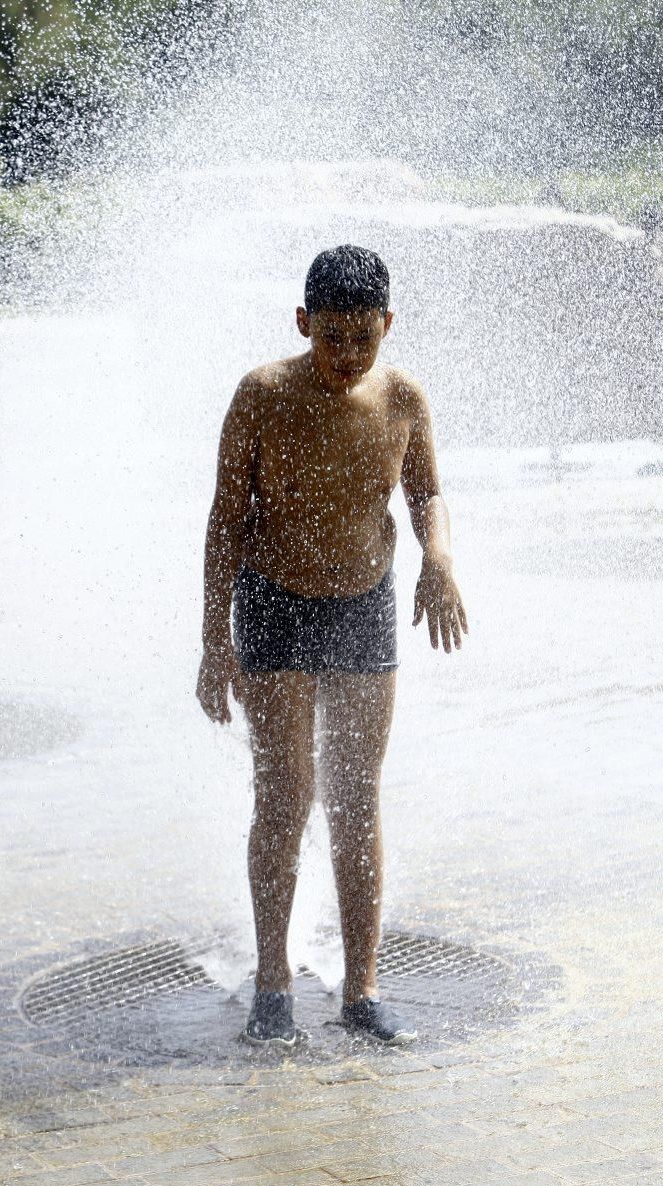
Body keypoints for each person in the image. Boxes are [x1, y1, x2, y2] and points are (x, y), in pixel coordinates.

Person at [196, 245, 467, 1047]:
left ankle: (362, 988)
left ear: (387, 324)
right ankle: (273, 983)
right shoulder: (262, 395)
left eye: (363, 338)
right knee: (286, 793)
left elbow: (427, 493)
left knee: (356, 799)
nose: (347, 357)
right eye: (331, 338)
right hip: (274, 604)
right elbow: (223, 520)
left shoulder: (403, 396)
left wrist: (439, 559)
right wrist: (215, 641)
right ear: (302, 322)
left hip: (363, 606)